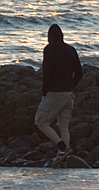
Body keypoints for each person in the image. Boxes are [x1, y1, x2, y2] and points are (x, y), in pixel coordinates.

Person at [34, 23, 84, 154]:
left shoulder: (49, 49)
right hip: (68, 94)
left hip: (55, 92)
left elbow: (47, 71)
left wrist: (44, 89)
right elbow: (79, 72)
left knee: (40, 122)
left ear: (49, 37)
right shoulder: (71, 49)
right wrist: (71, 87)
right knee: (64, 127)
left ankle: (62, 147)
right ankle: (63, 156)